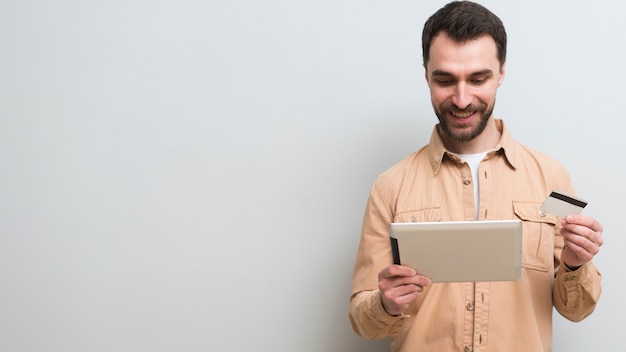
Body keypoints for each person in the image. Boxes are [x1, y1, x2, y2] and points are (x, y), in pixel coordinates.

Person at [348, 1, 604, 351]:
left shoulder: (551, 177)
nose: (462, 98)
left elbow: (578, 310)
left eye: (478, 78)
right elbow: (363, 322)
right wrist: (386, 303)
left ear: (501, 74)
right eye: (445, 79)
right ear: (426, 75)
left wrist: (576, 265)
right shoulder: (390, 186)